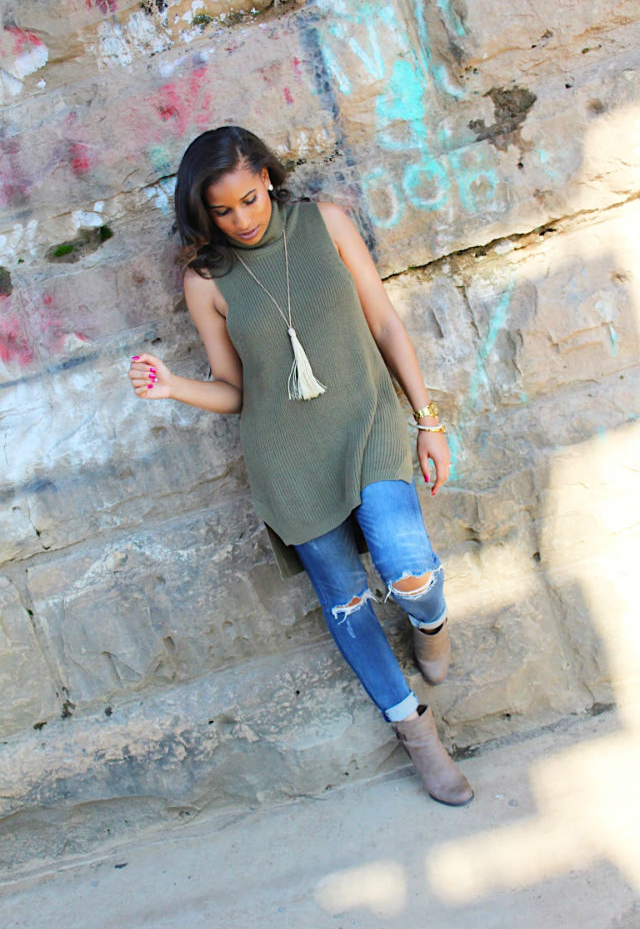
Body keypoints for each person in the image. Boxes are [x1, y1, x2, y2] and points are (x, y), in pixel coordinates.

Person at [128, 126, 473, 806]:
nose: (241, 220)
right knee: (346, 603)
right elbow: (235, 389)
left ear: (267, 177)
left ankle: (430, 627)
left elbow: (386, 324)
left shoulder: (326, 223)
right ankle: (416, 734)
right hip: (286, 458)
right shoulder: (206, 280)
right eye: (222, 211)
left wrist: (428, 421)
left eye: (250, 200)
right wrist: (173, 387)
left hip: (367, 425)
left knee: (409, 568)